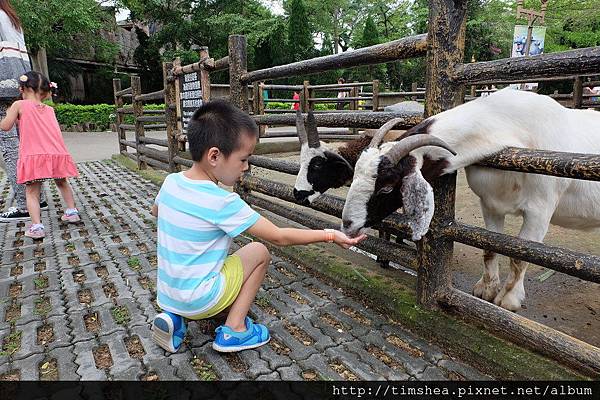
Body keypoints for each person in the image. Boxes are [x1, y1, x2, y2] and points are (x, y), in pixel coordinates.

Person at [150, 100, 365, 353]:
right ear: (215, 156)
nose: (246, 166)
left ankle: (175, 319)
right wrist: (330, 234)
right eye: (243, 159)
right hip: (201, 299)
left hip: (168, 295)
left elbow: (156, 212)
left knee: (204, 261)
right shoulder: (222, 202)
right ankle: (235, 330)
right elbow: (279, 236)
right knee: (258, 252)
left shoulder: (171, 182)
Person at [0, 71, 80, 239]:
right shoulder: (49, 109)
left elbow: (6, 126)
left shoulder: (19, 105)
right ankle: (72, 212)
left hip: (33, 155)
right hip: (56, 152)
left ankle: (37, 227)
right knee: (62, 182)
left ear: (23, 88)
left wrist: (7, 113)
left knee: (31, 192)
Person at [0, 0, 47, 222]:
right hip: (20, 84)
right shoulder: (11, 17)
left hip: (3, 88)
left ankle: (24, 204)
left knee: (10, 148)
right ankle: (38, 198)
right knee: (26, 145)